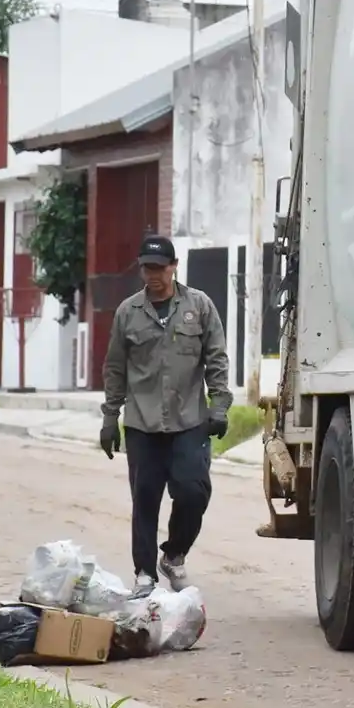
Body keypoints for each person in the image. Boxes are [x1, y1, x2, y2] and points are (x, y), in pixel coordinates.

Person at [100, 235, 232, 597]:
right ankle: (145, 573)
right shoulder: (128, 312)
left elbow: (217, 360)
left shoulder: (200, 306)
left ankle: (174, 554)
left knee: (193, 492)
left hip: (189, 419)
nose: (152, 275)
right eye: (147, 268)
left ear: (174, 267)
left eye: (159, 268)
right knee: (144, 498)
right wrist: (110, 418)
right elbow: (115, 368)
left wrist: (219, 405)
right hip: (142, 422)